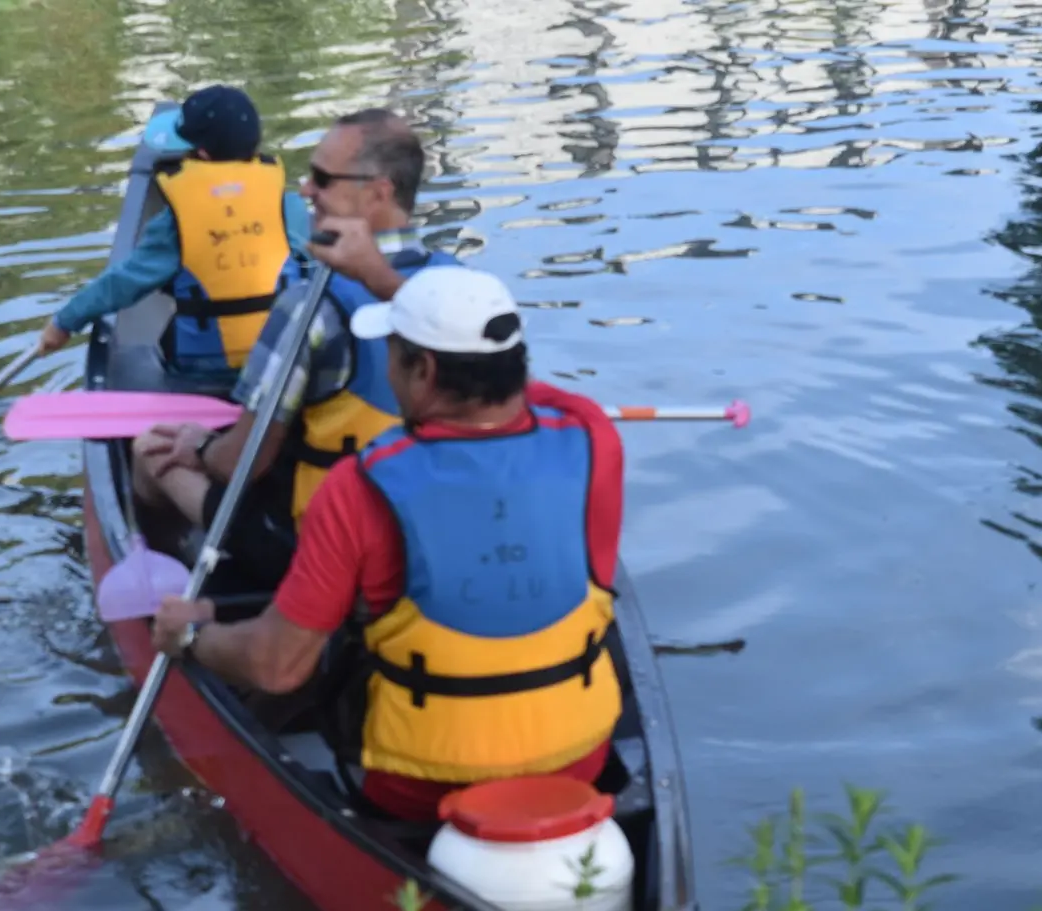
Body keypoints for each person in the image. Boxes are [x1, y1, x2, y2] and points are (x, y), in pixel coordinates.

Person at [149, 266, 627, 822]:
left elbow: (276, 667)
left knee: (328, 642)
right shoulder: (595, 437)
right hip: (579, 758)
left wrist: (190, 635)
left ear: (422, 370)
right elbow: (527, 395)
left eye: (392, 357)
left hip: (421, 787)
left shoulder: (358, 486)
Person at [132, 107, 460, 590]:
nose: (305, 190)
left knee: (148, 451)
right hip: (432, 522)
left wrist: (198, 442)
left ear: (378, 192)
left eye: (322, 179)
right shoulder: (466, 287)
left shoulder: (309, 310)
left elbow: (239, 464)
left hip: (317, 545)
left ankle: (182, 582)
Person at [38, 84, 311, 378]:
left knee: (169, 332)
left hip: (206, 370)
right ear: (256, 146)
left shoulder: (174, 221)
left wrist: (64, 322)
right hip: (280, 357)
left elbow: (123, 283)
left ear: (201, 154)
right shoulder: (290, 207)